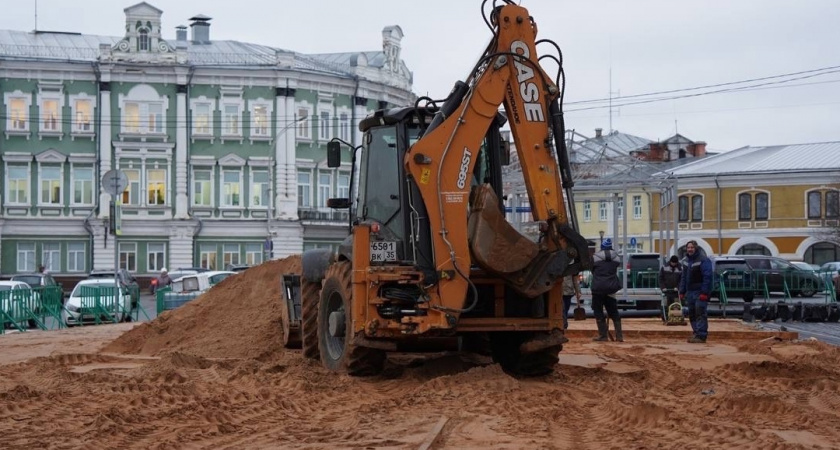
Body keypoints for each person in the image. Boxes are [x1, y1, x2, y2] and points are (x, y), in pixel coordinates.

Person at [679, 240, 713, 343]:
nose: (690, 249)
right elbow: (684, 277)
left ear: (696, 248)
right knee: (692, 313)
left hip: (699, 291)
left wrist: (704, 292)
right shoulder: (685, 261)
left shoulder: (703, 260)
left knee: (700, 313)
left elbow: (707, 277)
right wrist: (682, 291)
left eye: (692, 248)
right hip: (690, 291)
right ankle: (696, 333)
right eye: (688, 248)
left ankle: (701, 335)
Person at [590, 238, 623, 342]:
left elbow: (592, 269)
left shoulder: (594, 258)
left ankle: (603, 335)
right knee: (614, 312)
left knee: (598, 311)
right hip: (611, 288)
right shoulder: (616, 258)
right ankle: (619, 336)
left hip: (598, 288)